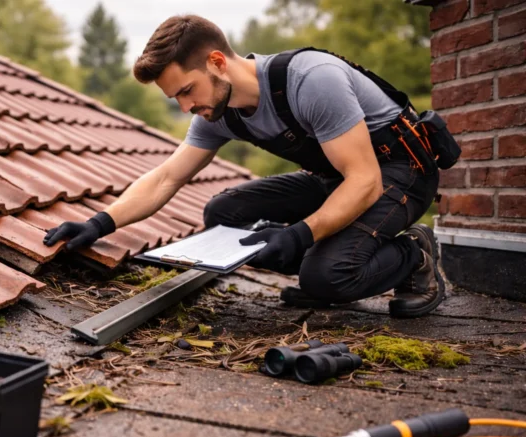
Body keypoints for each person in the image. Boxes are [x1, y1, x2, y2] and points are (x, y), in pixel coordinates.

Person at [43, 14, 447, 318]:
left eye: (187, 91)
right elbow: (167, 177)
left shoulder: (311, 81)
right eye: (176, 101)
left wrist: (300, 233)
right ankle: (327, 255)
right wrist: (99, 223)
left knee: (327, 276)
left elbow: (364, 182)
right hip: (334, 178)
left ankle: (413, 253)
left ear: (217, 62)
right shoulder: (217, 111)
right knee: (224, 216)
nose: (186, 108)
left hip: (399, 173)